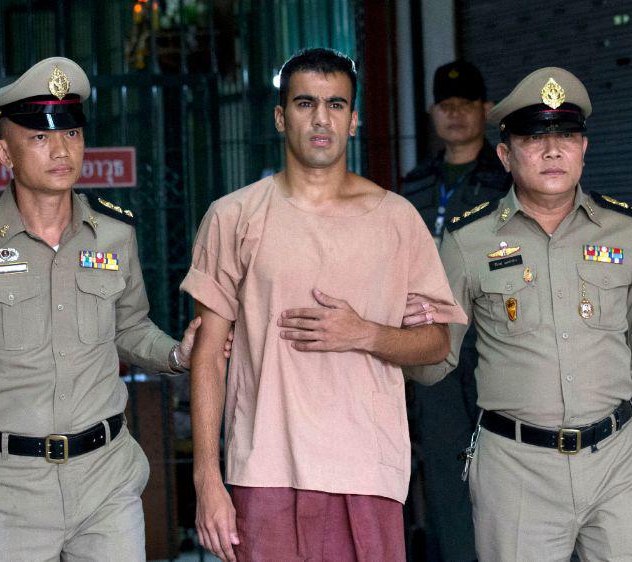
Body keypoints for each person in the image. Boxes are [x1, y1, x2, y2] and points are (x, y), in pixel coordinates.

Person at [0, 56, 225, 561]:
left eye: (71, 134)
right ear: (4, 154)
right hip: (6, 488)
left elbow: (129, 327)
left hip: (105, 479)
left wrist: (175, 354)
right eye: (39, 137)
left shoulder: (114, 233)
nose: (60, 150)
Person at [181, 47, 467, 562]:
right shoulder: (233, 216)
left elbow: (437, 343)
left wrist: (365, 333)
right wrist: (207, 480)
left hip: (367, 470)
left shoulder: (396, 219)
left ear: (353, 120)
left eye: (336, 105)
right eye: (305, 103)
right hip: (264, 469)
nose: (321, 118)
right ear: (280, 117)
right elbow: (208, 354)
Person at [407, 67, 632, 561]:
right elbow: (436, 363)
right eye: (533, 138)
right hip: (516, 473)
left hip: (618, 465)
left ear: (584, 148)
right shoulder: (467, 241)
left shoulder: (626, 232)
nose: (552, 151)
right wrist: (402, 335)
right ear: (505, 155)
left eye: (565, 136)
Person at [400, 60, 508, 562]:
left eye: (466, 104)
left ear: (487, 110)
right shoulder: (414, 184)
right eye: (446, 105)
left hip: (494, 340)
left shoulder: (508, 178)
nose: (456, 114)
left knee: (504, 462)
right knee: (445, 469)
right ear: (432, 112)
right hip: (433, 342)